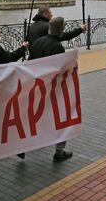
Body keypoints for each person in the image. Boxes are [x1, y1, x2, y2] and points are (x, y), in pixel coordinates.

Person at [29, 17, 73, 162]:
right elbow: (59, 71)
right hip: (51, 90)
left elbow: (30, 63)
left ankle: (26, 144)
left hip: (36, 87)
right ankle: (59, 152)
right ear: (61, 30)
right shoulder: (57, 47)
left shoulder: (37, 42)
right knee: (61, 118)